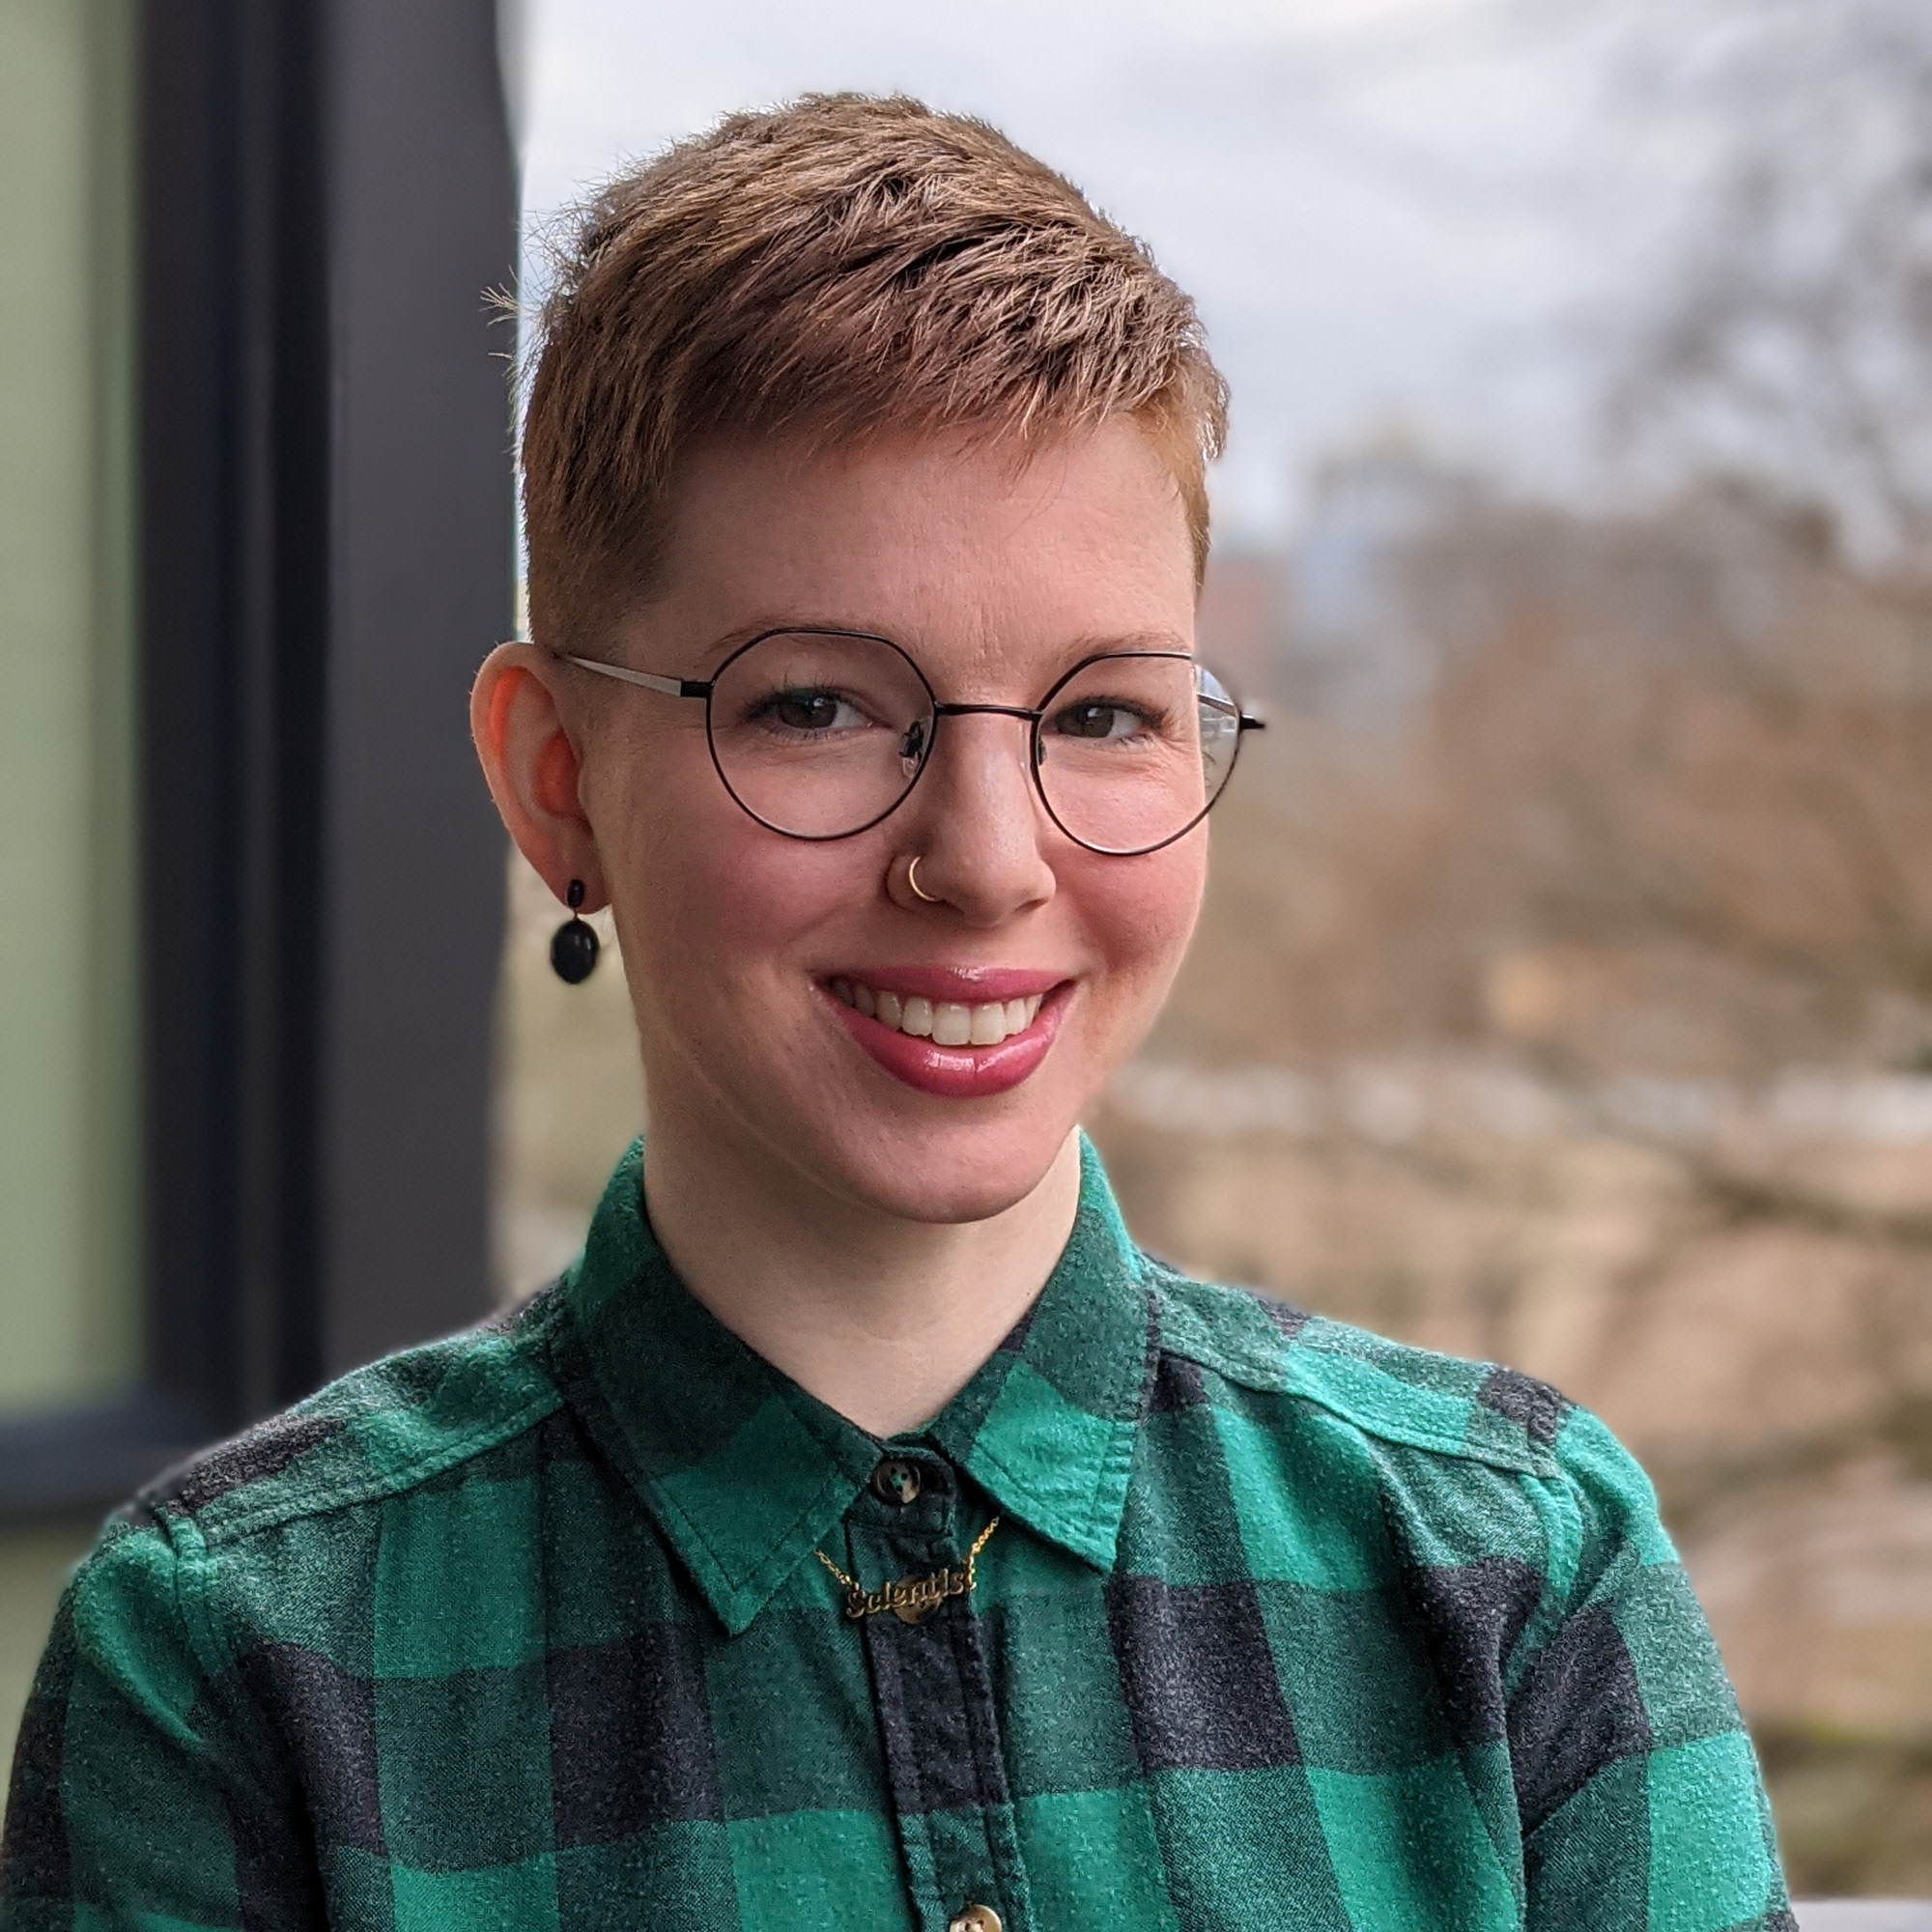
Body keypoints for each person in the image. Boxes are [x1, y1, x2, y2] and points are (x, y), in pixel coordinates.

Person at [1, 94, 1791, 1932]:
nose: (990, 861)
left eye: (1104, 714)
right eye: (818, 707)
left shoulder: (1512, 1575)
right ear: (558, 785)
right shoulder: (235, 1667)